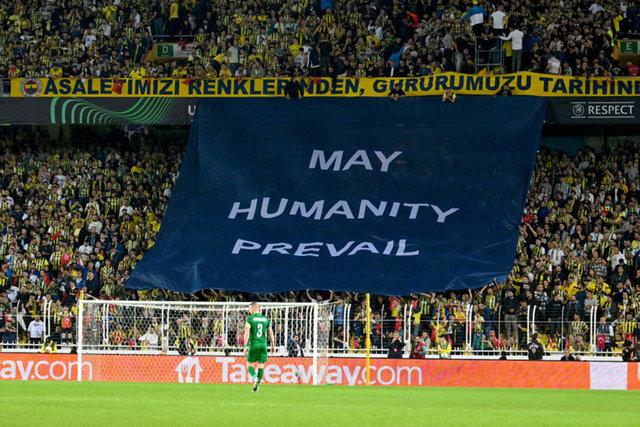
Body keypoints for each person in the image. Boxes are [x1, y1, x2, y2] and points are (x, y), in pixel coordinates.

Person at [243, 302, 275, 392]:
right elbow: (271, 332)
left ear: (253, 308)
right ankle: (257, 386)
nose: (249, 311)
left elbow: (247, 332)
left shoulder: (250, 319)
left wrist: (245, 346)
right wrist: (273, 345)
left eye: (249, 309)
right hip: (263, 345)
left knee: (249, 364)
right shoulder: (266, 319)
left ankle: (255, 378)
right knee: (261, 365)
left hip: (254, 344)